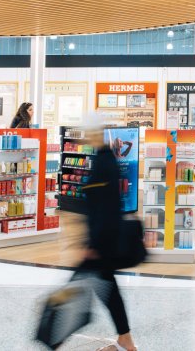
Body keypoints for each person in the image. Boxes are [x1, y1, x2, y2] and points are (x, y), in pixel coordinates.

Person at [70, 118, 137, 351]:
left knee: (100, 289)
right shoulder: (105, 158)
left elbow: (104, 207)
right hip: (104, 239)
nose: (86, 137)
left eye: (88, 132)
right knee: (107, 289)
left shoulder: (103, 162)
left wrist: (92, 242)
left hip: (102, 241)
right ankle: (125, 339)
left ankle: (125, 340)